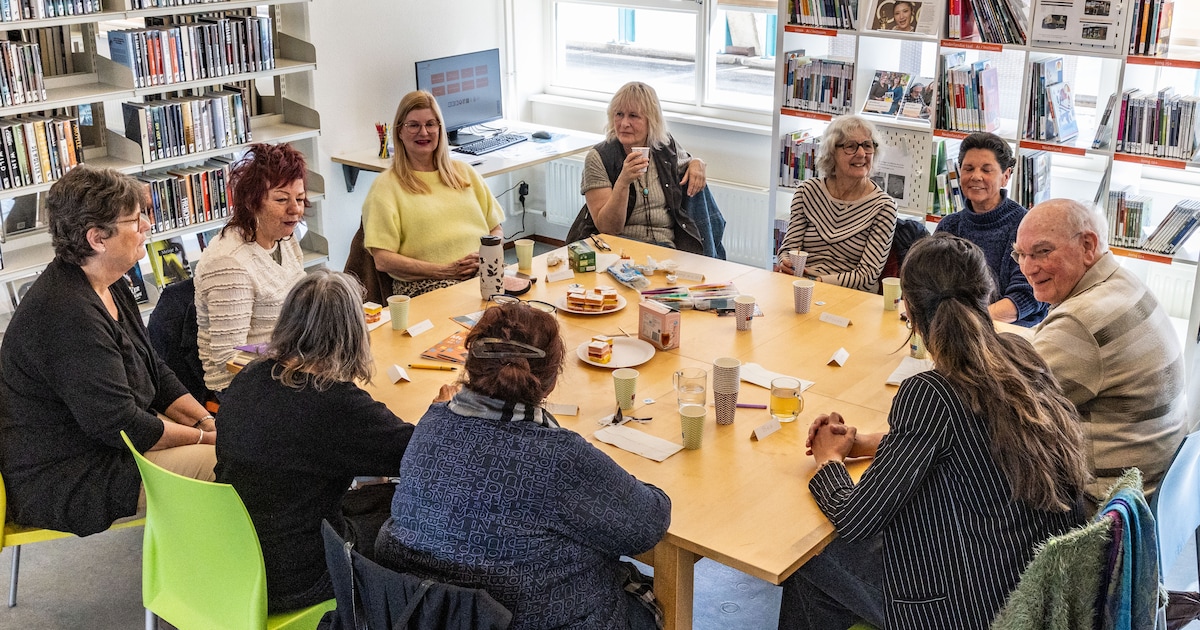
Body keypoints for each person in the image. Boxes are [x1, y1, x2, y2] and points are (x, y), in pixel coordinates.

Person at [777, 233, 1089, 630]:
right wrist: (869, 443)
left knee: (809, 560)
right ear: (985, 294)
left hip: (968, 609)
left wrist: (829, 460)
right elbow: (965, 444)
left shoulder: (930, 392)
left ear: (908, 307)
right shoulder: (1020, 355)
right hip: (1034, 586)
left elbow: (856, 519)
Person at [376, 303, 671, 629]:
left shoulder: (432, 423)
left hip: (428, 618)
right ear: (551, 381)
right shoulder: (560, 456)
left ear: (470, 366)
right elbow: (649, 525)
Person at [0, 165, 216, 537]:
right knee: (232, 463)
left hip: (109, 445)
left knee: (236, 448)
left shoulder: (108, 282)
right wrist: (204, 438)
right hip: (69, 473)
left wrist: (206, 422)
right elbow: (122, 426)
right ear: (98, 238)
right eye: (135, 219)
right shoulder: (66, 313)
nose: (147, 225)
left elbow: (154, 368)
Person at [215, 270, 421, 613]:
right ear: (353, 333)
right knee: (413, 514)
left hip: (229, 555)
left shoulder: (249, 376)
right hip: (296, 577)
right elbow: (420, 456)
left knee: (367, 500)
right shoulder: (336, 404)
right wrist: (441, 411)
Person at [1016, 198, 1191, 503]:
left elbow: (998, 406)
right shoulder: (1122, 281)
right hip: (1153, 493)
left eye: (1043, 252)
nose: (1028, 268)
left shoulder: (1081, 322)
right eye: (1021, 254)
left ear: (1087, 246)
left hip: (1106, 511)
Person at [362, 90, 505, 298]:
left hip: (484, 272)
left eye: (430, 124)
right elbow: (383, 260)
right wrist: (445, 270)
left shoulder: (465, 173)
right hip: (427, 283)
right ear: (399, 132)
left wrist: (486, 255)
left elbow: (496, 229)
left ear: (440, 129)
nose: (423, 132)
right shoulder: (386, 187)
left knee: (526, 308)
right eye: (413, 125)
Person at [194, 143, 308, 394]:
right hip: (245, 389)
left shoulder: (284, 238)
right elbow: (230, 358)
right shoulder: (229, 263)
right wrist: (299, 362)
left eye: (299, 199)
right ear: (251, 201)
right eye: (281, 199)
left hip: (288, 369)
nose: (295, 209)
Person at [573, 81, 725, 258]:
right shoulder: (599, 157)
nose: (624, 123)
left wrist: (697, 162)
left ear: (651, 120)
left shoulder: (665, 147)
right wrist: (623, 182)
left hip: (665, 246)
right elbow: (608, 229)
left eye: (633, 116)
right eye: (619, 114)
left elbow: (688, 162)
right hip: (618, 247)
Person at [934, 132, 1047, 326]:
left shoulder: (1026, 226)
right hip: (955, 326)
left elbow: (1027, 296)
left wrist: (968, 321)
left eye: (986, 170)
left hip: (1009, 330)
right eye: (969, 168)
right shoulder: (949, 226)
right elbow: (931, 284)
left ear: (1006, 176)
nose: (976, 176)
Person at [777, 115, 897, 293]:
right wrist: (785, 262)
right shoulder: (807, 192)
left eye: (867, 145)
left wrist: (819, 281)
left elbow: (868, 275)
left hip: (851, 295)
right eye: (850, 146)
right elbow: (788, 249)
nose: (861, 154)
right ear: (832, 152)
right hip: (802, 287)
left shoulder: (884, 207)